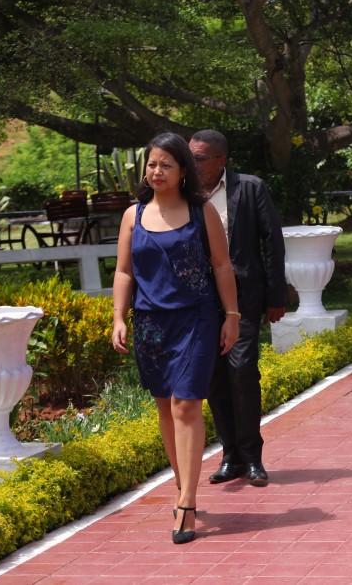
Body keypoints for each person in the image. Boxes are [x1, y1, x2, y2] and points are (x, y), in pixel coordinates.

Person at [111, 132, 240, 544]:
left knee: (187, 403)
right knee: (165, 405)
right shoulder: (133, 215)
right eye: (151, 164)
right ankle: (182, 483)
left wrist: (232, 316)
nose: (157, 171)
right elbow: (124, 272)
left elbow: (222, 267)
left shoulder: (203, 213)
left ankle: (186, 499)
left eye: (166, 164)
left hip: (196, 320)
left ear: (183, 170)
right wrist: (118, 316)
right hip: (150, 323)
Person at [188, 130, 287, 488]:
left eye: (200, 159)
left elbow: (272, 242)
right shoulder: (183, 193)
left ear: (221, 161)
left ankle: (252, 456)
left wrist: (276, 296)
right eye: (190, 157)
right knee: (214, 376)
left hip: (243, 298)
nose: (193, 165)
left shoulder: (249, 188)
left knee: (242, 371)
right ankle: (229, 455)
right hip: (200, 300)